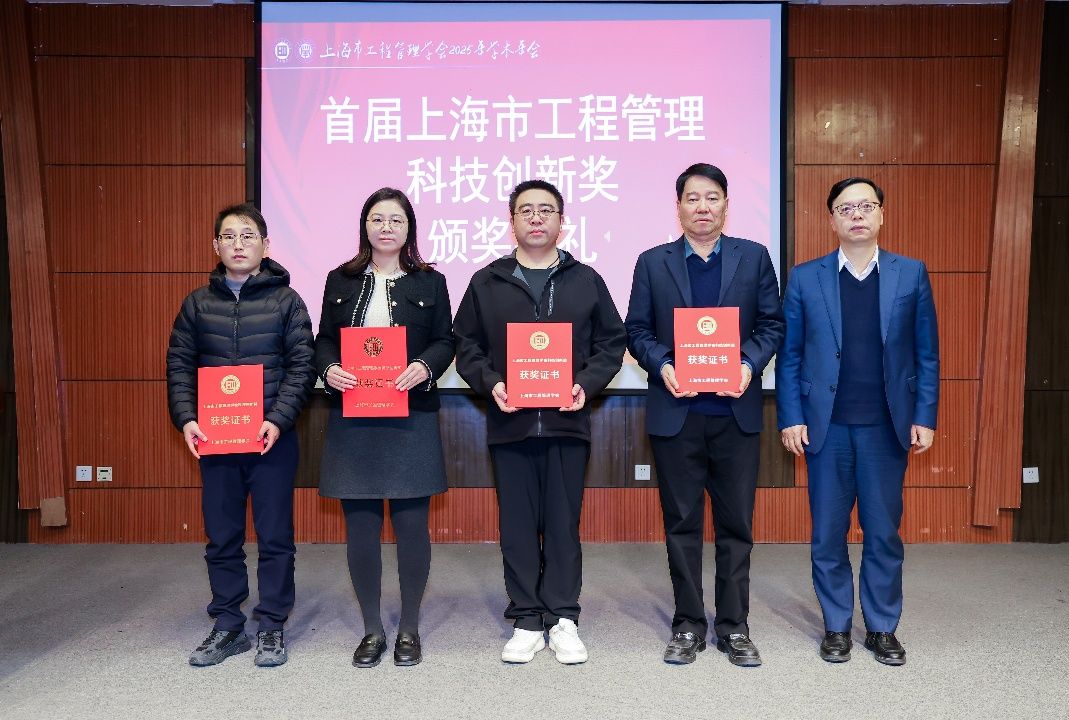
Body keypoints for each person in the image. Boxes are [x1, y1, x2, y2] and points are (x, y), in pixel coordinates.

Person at [454, 179, 625, 665]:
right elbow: (466, 346)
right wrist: (492, 384)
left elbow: (611, 343)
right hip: (510, 424)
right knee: (517, 525)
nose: (535, 217)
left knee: (563, 523)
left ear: (561, 222)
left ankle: (564, 616)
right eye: (525, 210)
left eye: (545, 210)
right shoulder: (487, 281)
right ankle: (527, 618)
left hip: (568, 422)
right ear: (511, 221)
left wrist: (585, 384)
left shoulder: (586, 280)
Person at [775, 177, 939, 666]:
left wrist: (925, 415)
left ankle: (883, 627)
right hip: (826, 428)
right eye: (846, 208)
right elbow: (790, 356)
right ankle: (837, 625)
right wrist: (791, 417)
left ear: (882, 214)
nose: (857, 215)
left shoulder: (911, 274)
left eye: (866, 206)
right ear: (832, 220)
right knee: (828, 533)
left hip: (887, 427)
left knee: (883, 531)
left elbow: (927, 353)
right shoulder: (806, 278)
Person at [625, 163, 783, 666]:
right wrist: (663, 365)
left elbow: (772, 325)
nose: (702, 207)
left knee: (736, 524)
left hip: (735, 411)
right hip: (677, 411)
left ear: (726, 205)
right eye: (692, 198)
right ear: (678, 207)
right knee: (681, 524)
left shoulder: (754, 258)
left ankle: (734, 626)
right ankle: (688, 623)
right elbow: (636, 330)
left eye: (712, 197)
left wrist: (747, 364)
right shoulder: (653, 262)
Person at [167, 203, 315, 667]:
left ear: (265, 246)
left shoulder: (287, 302)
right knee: (222, 536)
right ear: (215, 246)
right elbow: (179, 365)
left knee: (275, 537)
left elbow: (302, 367)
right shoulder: (197, 303)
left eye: (247, 235)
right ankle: (228, 623)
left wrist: (278, 419)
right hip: (216, 439)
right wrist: (186, 418)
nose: (238, 244)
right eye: (228, 236)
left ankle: (271, 624)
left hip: (271, 438)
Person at [315, 187, 454, 668]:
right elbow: (323, 340)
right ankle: (373, 629)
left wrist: (425, 366)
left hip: (410, 416)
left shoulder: (431, 282)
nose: (386, 227)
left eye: (396, 219)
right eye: (377, 219)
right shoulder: (340, 279)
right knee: (361, 526)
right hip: (354, 418)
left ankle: (409, 627)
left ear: (409, 228)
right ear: (365, 226)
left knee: (412, 525)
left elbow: (445, 340)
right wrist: (328, 368)